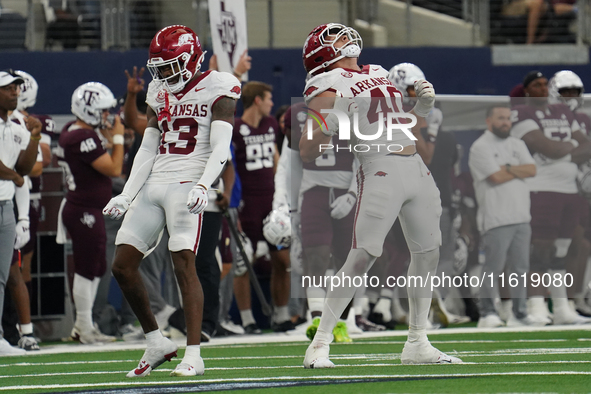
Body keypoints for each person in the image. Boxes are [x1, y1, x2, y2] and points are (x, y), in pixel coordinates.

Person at [299, 23, 462, 368]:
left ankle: (418, 341)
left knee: (427, 255)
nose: (347, 38)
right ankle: (320, 343)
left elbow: (398, 124)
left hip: (415, 167)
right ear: (323, 53)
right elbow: (308, 149)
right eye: (338, 37)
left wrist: (420, 109)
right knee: (363, 255)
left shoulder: (376, 71)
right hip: (379, 169)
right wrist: (329, 120)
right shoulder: (327, 83)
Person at [103, 25, 240, 377]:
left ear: (191, 58)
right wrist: (127, 192)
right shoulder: (159, 89)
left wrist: (203, 185)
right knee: (122, 264)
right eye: (159, 67)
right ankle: (156, 342)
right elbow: (149, 146)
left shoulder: (219, 86)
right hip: (156, 181)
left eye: (170, 65)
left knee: (184, 263)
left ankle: (194, 353)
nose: (164, 73)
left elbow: (221, 147)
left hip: (188, 181)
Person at [510, 70, 591, 325]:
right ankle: (537, 306)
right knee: (540, 250)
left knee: (563, 250)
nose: (543, 88)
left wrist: (562, 151)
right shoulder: (522, 112)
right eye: (537, 85)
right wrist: (568, 148)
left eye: (545, 84)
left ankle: (561, 306)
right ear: (527, 91)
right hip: (541, 187)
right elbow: (547, 147)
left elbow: (587, 146)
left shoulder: (566, 113)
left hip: (570, 188)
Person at [57, 81, 123, 344]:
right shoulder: (81, 137)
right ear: (89, 110)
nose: (107, 115)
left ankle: (84, 324)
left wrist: (107, 137)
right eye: (104, 110)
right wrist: (116, 138)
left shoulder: (75, 131)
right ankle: (84, 325)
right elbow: (114, 168)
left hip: (88, 208)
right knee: (87, 267)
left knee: (97, 265)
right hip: (83, 210)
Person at [231, 81, 293, 333]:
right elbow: (231, 168)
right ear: (257, 100)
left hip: (270, 201)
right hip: (247, 203)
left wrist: (281, 198)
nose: (271, 103)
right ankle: (247, 320)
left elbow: (277, 161)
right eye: (267, 98)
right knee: (243, 261)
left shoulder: (270, 125)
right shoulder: (235, 128)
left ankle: (281, 314)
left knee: (281, 258)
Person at [469, 105, 538, 328]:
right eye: (501, 118)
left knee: (520, 268)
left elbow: (532, 170)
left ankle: (519, 314)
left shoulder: (518, 144)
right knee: (493, 268)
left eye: (508, 118)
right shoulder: (480, 147)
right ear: (489, 121)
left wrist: (507, 167)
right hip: (495, 217)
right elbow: (495, 177)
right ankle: (487, 313)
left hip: (521, 216)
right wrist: (516, 169)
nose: (506, 122)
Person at [0, 70, 42, 355]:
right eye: (7, 89)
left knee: (2, 276)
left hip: (4, 207)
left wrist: (35, 138)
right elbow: (17, 176)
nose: (15, 93)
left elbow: (25, 170)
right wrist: (13, 177)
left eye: (16, 88)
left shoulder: (16, 127)